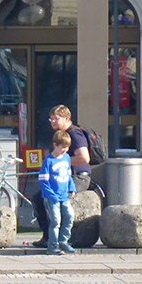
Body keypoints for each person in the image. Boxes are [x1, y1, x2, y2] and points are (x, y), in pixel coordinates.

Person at [28, 105, 91, 248]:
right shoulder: (60, 135)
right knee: (38, 198)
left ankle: (60, 240)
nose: (53, 122)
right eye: (51, 119)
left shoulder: (74, 134)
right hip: (61, 177)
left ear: (67, 118)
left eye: (56, 119)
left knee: (55, 202)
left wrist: (59, 161)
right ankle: (49, 237)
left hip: (78, 177)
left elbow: (84, 158)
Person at [39, 130, 77, 255]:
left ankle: (63, 241)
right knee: (56, 221)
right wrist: (52, 195)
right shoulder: (48, 161)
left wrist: (72, 188)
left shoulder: (66, 158)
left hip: (64, 195)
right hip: (52, 197)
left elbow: (69, 176)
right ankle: (52, 245)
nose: (65, 150)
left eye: (67, 147)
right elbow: (43, 181)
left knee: (69, 216)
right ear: (55, 145)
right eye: (63, 147)